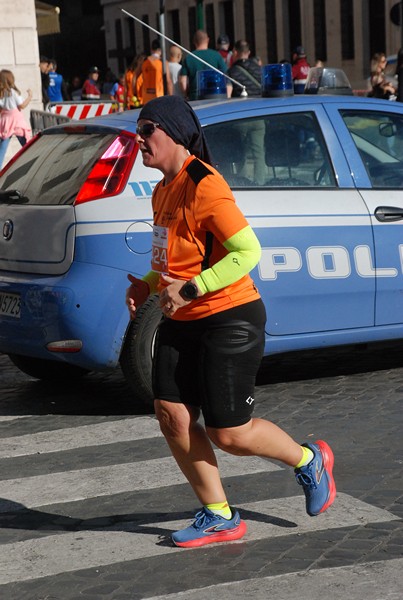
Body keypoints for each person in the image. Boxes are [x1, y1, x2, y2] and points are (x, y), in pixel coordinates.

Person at [125, 95, 337, 548]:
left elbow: (247, 252)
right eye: (136, 131)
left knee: (229, 433)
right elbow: (176, 261)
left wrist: (192, 289)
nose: (138, 140)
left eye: (147, 131)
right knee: (172, 415)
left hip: (230, 317)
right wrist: (146, 285)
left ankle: (307, 459)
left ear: (175, 134)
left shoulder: (205, 184)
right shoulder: (162, 188)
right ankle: (219, 514)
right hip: (184, 315)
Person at [179, 30, 228, 100]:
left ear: (194, 41)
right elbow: (226, 75)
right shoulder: (217, 56)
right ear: (208, 40)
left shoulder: (189, 58)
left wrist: (186, 94)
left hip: (195, 97)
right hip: (215, 95)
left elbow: (182, 81)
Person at [0, 69, 32, 169]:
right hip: (16, 121)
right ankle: (31, 164)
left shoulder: (1, 93)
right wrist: (29, 97)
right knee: (27, 145)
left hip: (5, 121)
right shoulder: (13, 92)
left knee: (2, 148)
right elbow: (22, 105)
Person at [141, 39, 173, 105]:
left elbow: (135, 75)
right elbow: (168, 81)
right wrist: (171, 97)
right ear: (160, 50)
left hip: (146, 97)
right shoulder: (163, 62)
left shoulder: (144, 61)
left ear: (151, 49)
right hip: (159, 96)